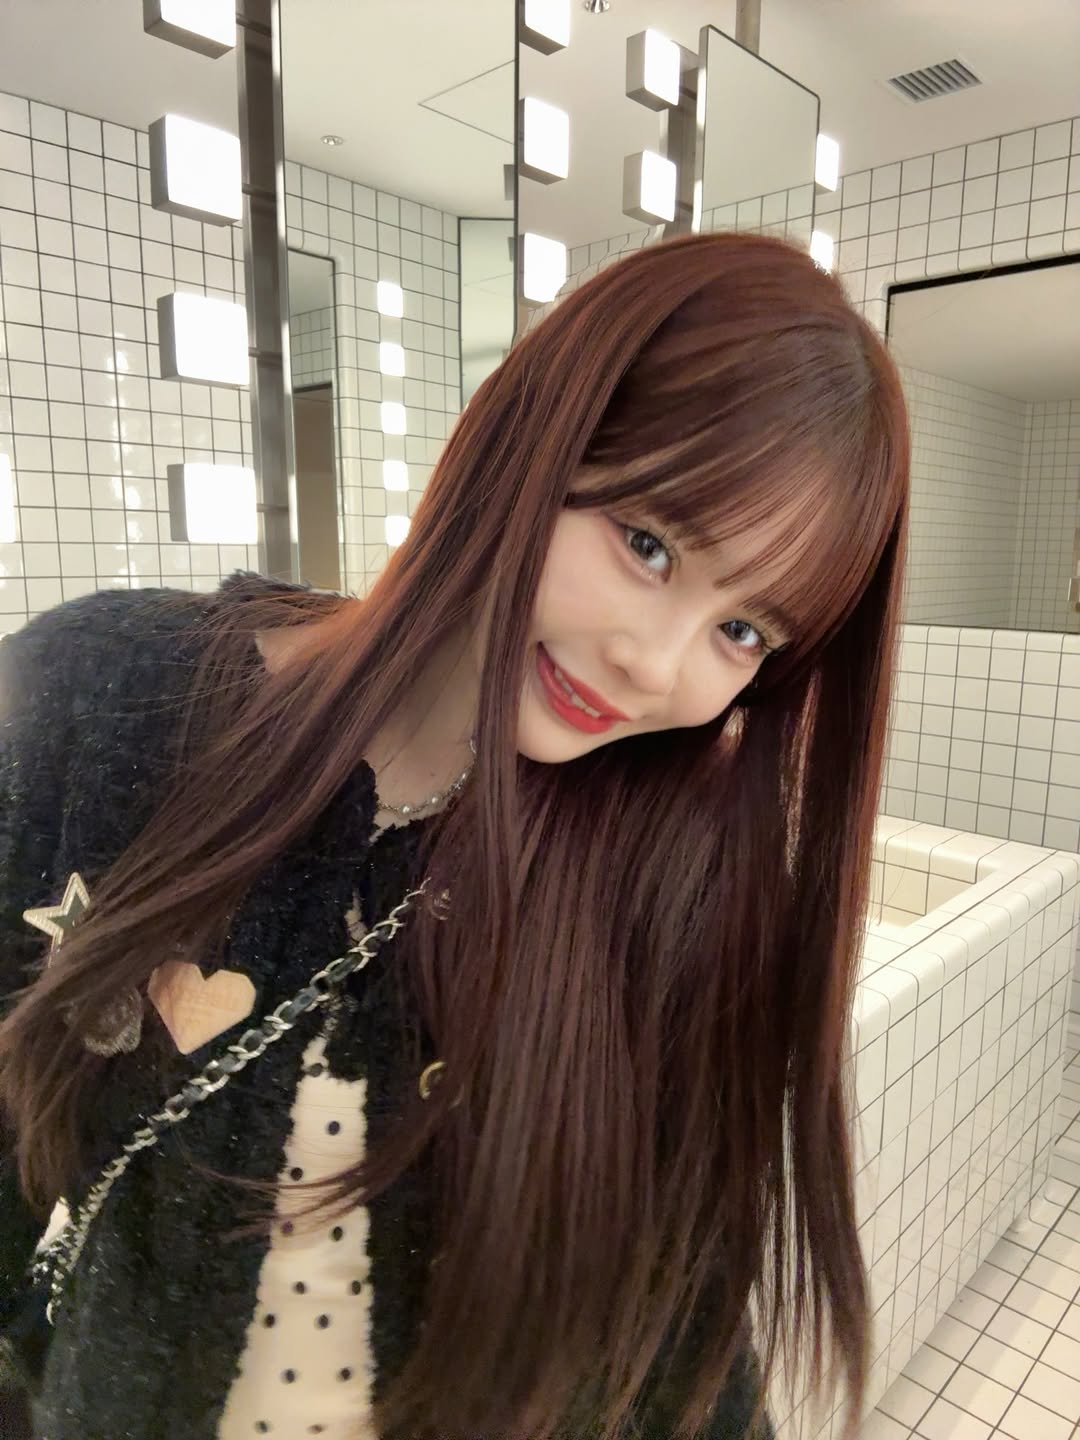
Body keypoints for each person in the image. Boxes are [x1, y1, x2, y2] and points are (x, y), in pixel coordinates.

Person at [0, 230, 909, 1440]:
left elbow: (679, 1325)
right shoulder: (104, 695)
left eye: (743, 631)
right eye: (647, 545)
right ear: (532, 437)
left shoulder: (671, 883)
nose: (656, 666)